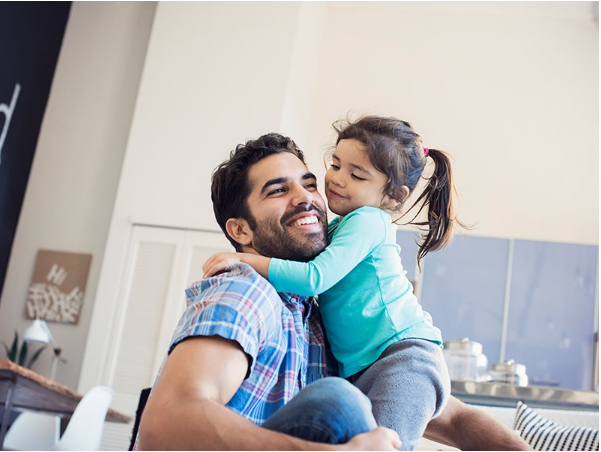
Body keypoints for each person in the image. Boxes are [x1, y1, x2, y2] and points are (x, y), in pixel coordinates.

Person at [137, 132, 531, 451]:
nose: (307, 196)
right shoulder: (244, 291)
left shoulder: (318, 316)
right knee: (340, 402)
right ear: (241, 231)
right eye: (278, 191)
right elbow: (165, 424)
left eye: (308, 184)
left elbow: (455, 418)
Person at [202, 116, 454, 450]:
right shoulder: (341, 227)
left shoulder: (368, 222)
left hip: (402, 357)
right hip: (369, 365)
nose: (336, 179)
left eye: (356, 174)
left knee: (385, 445)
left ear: (393, 195)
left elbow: (314, 278)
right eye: (335, 164)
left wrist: (247, 259)